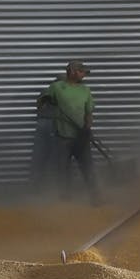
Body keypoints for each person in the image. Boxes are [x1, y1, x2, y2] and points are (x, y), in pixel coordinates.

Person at [43, 59, 101, 204]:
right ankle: (65, 200)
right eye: (82, 72)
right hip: (63, 137)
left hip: (81, 136)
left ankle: (95, 197)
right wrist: (48, 103)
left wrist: (88, 128)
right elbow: (41, 105)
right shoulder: (56, 87)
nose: (84, 75)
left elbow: (89, 112)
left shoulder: (85, 90)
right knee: (63, 170)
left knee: (88, 168)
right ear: (73, 72)